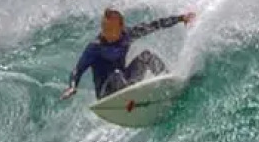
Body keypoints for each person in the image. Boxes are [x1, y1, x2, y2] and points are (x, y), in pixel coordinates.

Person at [60, 8, 196, 101]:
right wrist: (72, 87)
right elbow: (78, 70)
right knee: (116, 74)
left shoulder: (127, 35)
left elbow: (155, 25)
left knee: (146, 56)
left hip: (126, 83)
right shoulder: (95, 47)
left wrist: (180, 18)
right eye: (105, 29)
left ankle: (170, 84)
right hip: (106, 92)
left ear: (121, 27)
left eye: (112, 30)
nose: (107, 33)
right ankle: (130, 92)